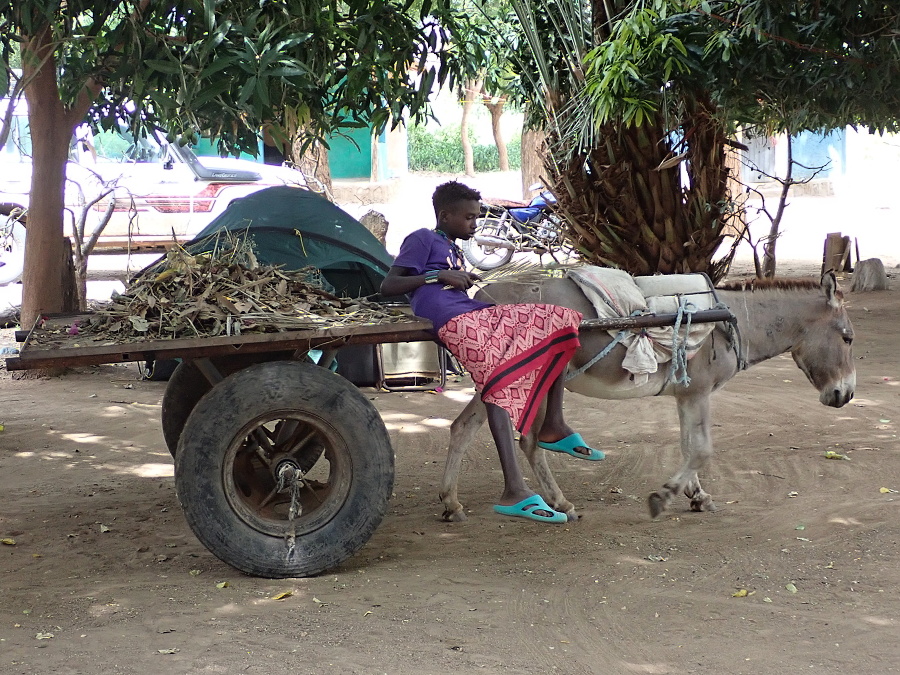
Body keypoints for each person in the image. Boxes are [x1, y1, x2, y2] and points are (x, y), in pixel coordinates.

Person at [380, 181, 604, 524]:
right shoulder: (422, 238)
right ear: (445, 215)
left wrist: (456, 277)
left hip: (470, 313)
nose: (474, 224)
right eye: (469, 217)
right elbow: (388, 285)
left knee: (559, 322)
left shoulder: (449, 246)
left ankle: (553, 425)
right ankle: (513, 490)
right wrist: (436, 277)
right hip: (450, 321)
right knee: (497, 381)